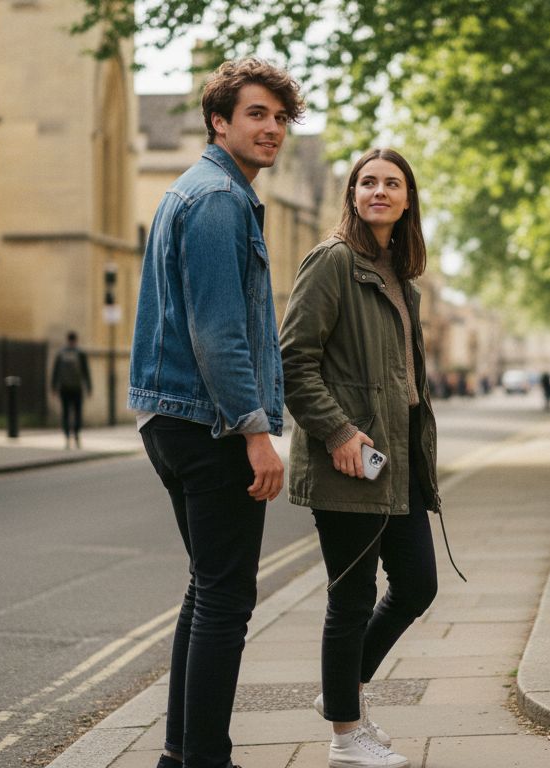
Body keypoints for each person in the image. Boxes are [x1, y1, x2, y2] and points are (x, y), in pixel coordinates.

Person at [127, 58, 303, 768]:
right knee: (228, 600)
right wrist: (257, 432)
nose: (272, 129)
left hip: (174, 417)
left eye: (281, 118)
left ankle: (182, 754)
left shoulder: (194, 190)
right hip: (209, 423)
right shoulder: (220, 200)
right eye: (256, 114)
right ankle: (205, 759)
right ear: (219, 121)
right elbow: (219, 330)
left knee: (208, 591)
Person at [281, 149, 453, 768]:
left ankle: (339, 697)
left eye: (392, 183)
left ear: (407, 200)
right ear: (352, 193)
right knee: (352, 598)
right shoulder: (332, 262)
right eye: (367, 181)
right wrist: (339, 434)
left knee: (416, 585)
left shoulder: (397, 275)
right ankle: (346, 737)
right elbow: (294, 362)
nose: (379, 190)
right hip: (350, 458)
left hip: (399, 455)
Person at [50, 331, 92, 448]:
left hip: (64, 389)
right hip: (77, 388)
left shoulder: (61, 353)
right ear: (76, 340)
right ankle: (77, 436)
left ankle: (67, 437)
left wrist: (53, 387)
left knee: (65, 413)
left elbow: (55, 371)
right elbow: (86, 372)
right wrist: (89, 387)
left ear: (67, 339)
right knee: (77, 413)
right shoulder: (80, 353)